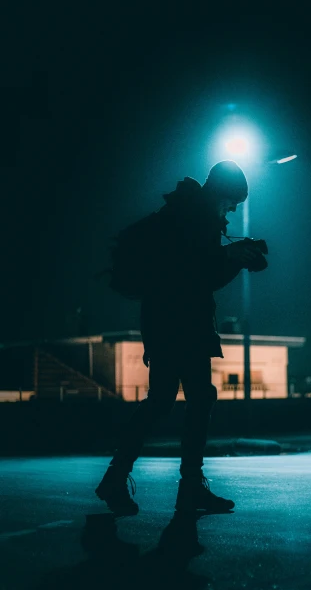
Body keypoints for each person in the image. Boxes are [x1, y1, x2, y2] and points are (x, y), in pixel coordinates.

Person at [95, 160, 265, 516]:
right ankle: (185, 487)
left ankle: (122, 478)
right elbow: (189, 273)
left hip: (171, 322)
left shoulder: (190, 213)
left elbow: (201, 273)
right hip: (179, 322)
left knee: (167, 400)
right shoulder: (191, 216)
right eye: (233, 201)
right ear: (222, 191)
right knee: (193, 398)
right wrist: (230, 256)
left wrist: (234, 258)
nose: (233, 209)